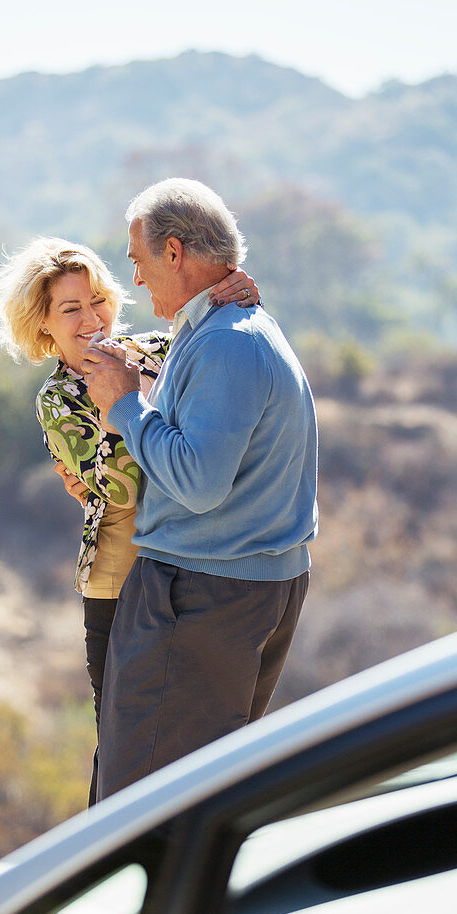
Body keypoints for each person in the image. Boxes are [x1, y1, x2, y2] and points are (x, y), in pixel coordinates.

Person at [0, 236, 259, 804]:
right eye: (70, 309)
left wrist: (242, 292)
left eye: (97, 300)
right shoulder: (59, 399)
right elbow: (128, 487)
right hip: (117, 584)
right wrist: (162, 425)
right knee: (122, 741)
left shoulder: (160, 348)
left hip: (187, 568)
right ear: (43, 327)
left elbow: (223, 350)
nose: (91, 318)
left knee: (190, 735)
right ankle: (103, 863)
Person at [82, 178, 319, 802]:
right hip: (245, 589)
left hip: (201, 595)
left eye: (138, 262)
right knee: (200, 792)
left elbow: (197, 482)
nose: (136, 282)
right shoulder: (231, 326)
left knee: (139, 801)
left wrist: (125, 407)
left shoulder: (227, 346)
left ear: (176, 252)